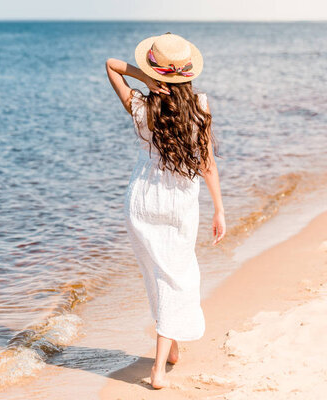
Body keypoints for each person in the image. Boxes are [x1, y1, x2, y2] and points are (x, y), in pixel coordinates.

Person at [105, 32, 226, 389]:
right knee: (177, 278)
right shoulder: (200, 105)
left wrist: (147, 81)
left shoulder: (142, 106)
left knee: (158, 275)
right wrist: (220, 209)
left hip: (140, 202)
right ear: (187, 73)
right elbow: (207, 164)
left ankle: (171, 348)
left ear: (156, 72)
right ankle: (158, 369)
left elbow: (111, 66)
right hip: (177, 204)